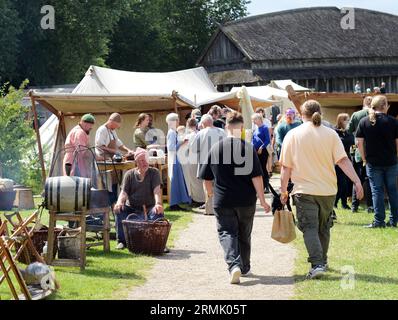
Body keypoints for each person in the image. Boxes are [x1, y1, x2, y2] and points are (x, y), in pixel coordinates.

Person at [280, 100, 363, 279]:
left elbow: (285, 168)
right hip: (327, 190)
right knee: (324, 228)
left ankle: (317, 264)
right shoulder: (331, 134)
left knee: (310, 227)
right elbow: (343, 160)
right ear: (319, 113)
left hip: (304, 190)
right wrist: (357, 182)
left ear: (302, 115)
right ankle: (322, 261)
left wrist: (283, 191)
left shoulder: (293, 135)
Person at [199, 111, 271, 284]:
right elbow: (257, 177)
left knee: (226, 232)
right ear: (242, 127)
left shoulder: (215, 148)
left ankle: (234, 265)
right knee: (244, 233)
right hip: (246, 200)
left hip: (223, 199)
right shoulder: (248, 148)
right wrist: (262, 199)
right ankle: (244, 266)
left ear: (226, 127)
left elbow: (206, 178)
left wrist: (210, 195)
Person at [356, 95, 398, 228]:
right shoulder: (393, 121)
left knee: (377, 191)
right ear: (385, 106)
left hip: (373, 162)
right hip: (391, 161)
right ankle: (394, 220)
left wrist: (364, 158)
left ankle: (379, 221)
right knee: (393, 191)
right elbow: (397, 142)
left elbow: (359, 143)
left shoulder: (364, 121)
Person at [114, 148, 164, 249]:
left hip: (149, 208)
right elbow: (124, 192)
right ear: (136, 162)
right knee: (119, 210)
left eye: (145, 159)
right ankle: (122, 241)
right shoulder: (129, 174)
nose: (144, 162)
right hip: (131, 208)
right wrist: (119, 202)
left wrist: (158, 203)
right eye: (141, 160)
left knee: (158, 212)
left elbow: (157, 191)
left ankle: (159, 242)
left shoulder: (154, 172)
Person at [190, 114, 226, 215]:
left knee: (207, 185)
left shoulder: (201, 133)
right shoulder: (222, 132)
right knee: (220, 185)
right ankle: (221, 207)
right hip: (221, 162)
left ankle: (210, 209)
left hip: (206, 163)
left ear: (203, 123)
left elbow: (193, 149)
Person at [95, 113, 133, 204]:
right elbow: (100, 146)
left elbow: (119, 144)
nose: (116, 128)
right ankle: (106, 204)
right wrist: (114, 151)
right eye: (115, 125)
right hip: (103, 158)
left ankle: (114, 203)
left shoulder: (112, 131)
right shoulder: (102, 130)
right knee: (107, 184)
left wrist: (128, 150)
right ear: (111, 121)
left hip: (111, 159)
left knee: (115, 182)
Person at [347, 96, 374, 213]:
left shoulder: (356, 115)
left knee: (356, 178)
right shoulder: (375, 115)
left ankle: (354, 206)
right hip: (372, 150)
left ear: (363, 103)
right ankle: (370, 206)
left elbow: (348, 130)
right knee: (369, 179)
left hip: (358, 149)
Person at [166, 113, 192, 211]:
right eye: (177, 120)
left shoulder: (172, 132)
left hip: (175, 158)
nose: (178, 122)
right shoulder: (172, 132)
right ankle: (174, 203)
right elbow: (172, 147)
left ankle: (176, 202)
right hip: (174, 158)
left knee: (177, 180)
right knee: (175, 180)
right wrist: (181, 143)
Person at [178, 118, 206, 206]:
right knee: (199, 180)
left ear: (187, 124)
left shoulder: (188, 135)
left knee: (193, 180)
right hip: (200, 158)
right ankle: (202, 198)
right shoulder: (199, 133)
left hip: (191, 158)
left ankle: (197, 200)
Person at [63, 114, 95, 178]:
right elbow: (82, 151)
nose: (91, 128)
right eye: (90, 126)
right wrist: (95, 157)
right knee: (76, 184)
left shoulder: (78, 130)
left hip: (72, 160)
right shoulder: (80, 132)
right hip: (74, 161)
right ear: (85, 124)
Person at [334, 114, 355, 210]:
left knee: (346, 183)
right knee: (341, 183)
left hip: (347, 159)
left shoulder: (348, 132)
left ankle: (343, 203)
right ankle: (335, 202)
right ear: (341, 121)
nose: (348, 122)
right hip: (337, 161)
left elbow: (352, 142)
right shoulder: (335, 132)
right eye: (347, 120)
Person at [251, 113, 271, 193]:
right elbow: (253, 139)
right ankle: (260, 187)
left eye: (254, 119)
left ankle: (267, 186)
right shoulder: (256, 129)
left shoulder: (265, 128)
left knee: (263, 168)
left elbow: (267, 140)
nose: (253, 121)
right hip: (255, 151)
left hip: (263, 151)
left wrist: (261, 147)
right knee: (257, 169)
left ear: (259, 119)